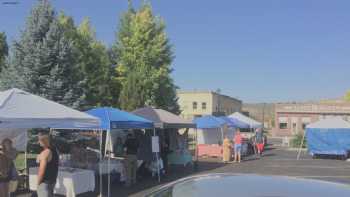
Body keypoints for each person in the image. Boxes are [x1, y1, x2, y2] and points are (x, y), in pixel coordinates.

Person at [36, 133, 59, 197]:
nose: (38, 142)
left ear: (43, 141)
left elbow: (41, 171)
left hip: (45, 182)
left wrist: (38, 183)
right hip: (52, 181)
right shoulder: (55, 150)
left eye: (39, 140)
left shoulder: (45, 153)